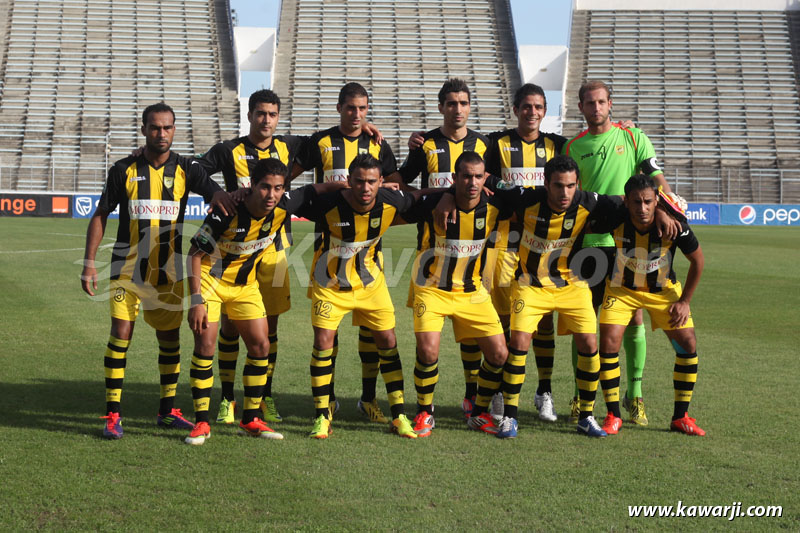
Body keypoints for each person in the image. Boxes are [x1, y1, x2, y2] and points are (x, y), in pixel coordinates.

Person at [437, 155, 678, 438]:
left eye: (571, 186)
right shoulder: (523, 198)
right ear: (545, 184)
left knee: (590, 343)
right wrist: (446, 196)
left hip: (570, 285)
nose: (565, 193)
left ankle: (586, 416)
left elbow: (635, 202)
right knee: (518, 344)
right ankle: (510, 418)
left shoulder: (589, 201)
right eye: (558, 186)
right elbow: (482, 180)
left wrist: (661, 209)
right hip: (530, 284)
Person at [81, 102, 234, 439]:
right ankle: (112, 415)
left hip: (168, 275)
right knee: (121, 335)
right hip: (127, 271)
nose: (161, 134)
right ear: (144, 130)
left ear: (174, 130)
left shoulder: (186, 169)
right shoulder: (123, 169)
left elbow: (218, 194)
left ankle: (167, 411)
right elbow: (101, 214)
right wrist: (90, 262)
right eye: (154, 128)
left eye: (167, 128)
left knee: (169, 340)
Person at [183, 159, 344, 445]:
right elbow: (194, 255)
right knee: (205, 345)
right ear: (252, 186)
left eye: (278, 188)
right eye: (265, 187)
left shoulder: (284, 205)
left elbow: (314, 189)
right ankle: (202, 422)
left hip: (245, 286)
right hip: (211, 281)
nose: (271, 195)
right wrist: (196, 300)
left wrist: (346, 184)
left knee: (261, 346)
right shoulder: (226, 212)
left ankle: (250, 418)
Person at [563, 80, 673, 425]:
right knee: (582, 322)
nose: (596, 108)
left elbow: (656, 179)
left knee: (634, 318)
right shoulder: (573, 146)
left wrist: (666, 207)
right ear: (580, 107)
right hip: (587, 244)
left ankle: (635, 394)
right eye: (589, 103)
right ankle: (583, 396)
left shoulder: (633, 137)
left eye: (601, 102)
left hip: (628, 244)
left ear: (610, 104)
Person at [195, 89, 305, 426]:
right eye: (260, 114)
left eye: (272, 114)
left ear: (278, 116)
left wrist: (370, 130)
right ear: (250, 115)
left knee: (267, 330)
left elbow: (336, 139)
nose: (266, 120)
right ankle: (228, 399)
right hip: (232, 248)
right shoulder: (229, 150)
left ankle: (262, 398)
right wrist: (216, 193)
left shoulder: (291, 146)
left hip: (272, 249)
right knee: (228, 326)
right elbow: (194, 169)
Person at [301, 153, 430, 440]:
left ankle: (398, 415)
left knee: (388, 340)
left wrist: (449, 195)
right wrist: (331, 186)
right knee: (323, 342)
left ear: (382, 182)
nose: (365, 187)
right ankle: (323, 414)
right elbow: (297, 197)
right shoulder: (328, 205)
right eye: (358, 181)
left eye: (372, 181)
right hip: (330, 284)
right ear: (349, 181)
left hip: (371, 284)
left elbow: (421, 197)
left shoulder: (391, 201)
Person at [386, 78, 492, 419]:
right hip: (432, 251)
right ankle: (426, 408)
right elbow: (402, 180)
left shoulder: (484, 144)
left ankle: (471, 394)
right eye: (451, 103)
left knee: (473, 335)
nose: (457, 109)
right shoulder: (426, 144)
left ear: (470, 107)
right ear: (441, 107)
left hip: (474, 253)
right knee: (429, 344)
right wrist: (441, 195)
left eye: (463, 103)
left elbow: (495, 186)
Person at [295, 82, 397, 425]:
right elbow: (291, 173)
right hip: (331, 248)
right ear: (339, 107)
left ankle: (368, 400)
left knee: (371, 332)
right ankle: (329, 400)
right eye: (351, 107)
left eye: (363, 108)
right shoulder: (321, 141)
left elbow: (397, 182)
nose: (356, 114)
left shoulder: (377, 143)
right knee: (329, 333)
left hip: (369, 254)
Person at [397, 152, 508, 437]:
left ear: (485, 179)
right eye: (466, 176)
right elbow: (402, 202)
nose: (472, 182)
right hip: (431, 289)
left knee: (499, 354)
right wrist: (444, 194)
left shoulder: (496, 204)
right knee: (428, 351)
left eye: (478, 176)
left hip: (472, 292)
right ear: (454, 178)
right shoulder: (433, 203)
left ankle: (478, 412)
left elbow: (532, 198)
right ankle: (425, 411)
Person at [595, 175, 705, 436]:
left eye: (647, 202)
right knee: (609, 343)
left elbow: (698, 260)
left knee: (688, 345)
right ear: (626, 201)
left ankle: (680, 417)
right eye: (636, 202)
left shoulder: (676, 224)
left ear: (657, 200)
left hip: (662, 293)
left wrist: (685, 302)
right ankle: (613, 415)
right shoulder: (615, 216)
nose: (642, 208)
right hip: (622, 291)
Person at [483, 83, 566, 425]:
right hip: (505, 244)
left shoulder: (558, 146)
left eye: (539, 107)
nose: (533, 112)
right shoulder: (496, 143)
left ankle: (543, 391)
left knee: (543, 322)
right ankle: (501, 391)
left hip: (545, 247)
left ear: (545, 111)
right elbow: (481, 171)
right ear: (515, 109)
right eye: (526, 106)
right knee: (503, 323)